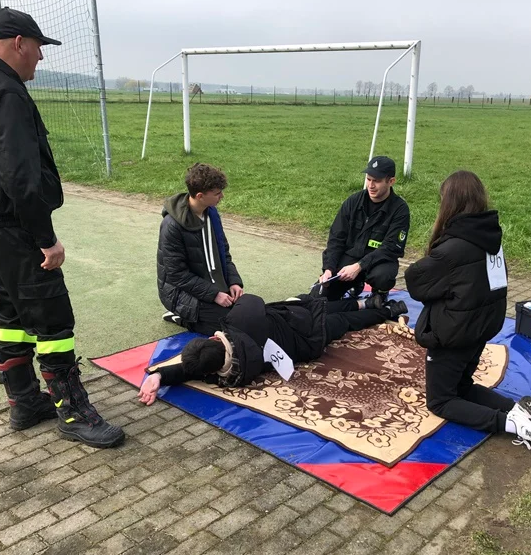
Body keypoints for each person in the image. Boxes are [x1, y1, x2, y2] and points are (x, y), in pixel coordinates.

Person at [0, 7, 123, 448]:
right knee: (51, 317)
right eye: (39, 48)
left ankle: (24, 401)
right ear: (19, 43)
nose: (41, 58)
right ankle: (73, 412)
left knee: (11, 312)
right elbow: (21, 178)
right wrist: (46, 238)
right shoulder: (5, 92)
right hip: (16, 226)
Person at [404, 170, 531, 454]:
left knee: (441, 401)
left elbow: (417, 282)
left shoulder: (452, 249)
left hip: (452, 334)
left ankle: (513, 424)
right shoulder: (492, 240)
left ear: (450, 203)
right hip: (479, 330)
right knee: (463, 387)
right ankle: (518, 410)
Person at [136, 294, 409, 405]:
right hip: (301, 327)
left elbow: (191, 368)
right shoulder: (238, 321)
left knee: (334, 317)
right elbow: (253, 300)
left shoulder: (230, 374)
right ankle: (382, 308)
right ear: (214, 340)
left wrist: (159, 375)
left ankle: (374, 306)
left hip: (305, 345)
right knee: (331, 313)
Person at [157, 163, 244, 336]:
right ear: (200, 196)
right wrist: (214, 295)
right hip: (179, 292)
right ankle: (180, 316)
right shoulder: (172, 226)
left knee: (246, 314)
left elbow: (223, 252)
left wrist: (234, 281)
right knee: (230, 328)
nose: (222, 196)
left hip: (211, 284)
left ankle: (204, 312)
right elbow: (176, 275)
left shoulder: (211, 213)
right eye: (217, 193)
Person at [311, 156, 410, 306]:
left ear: (391, 181)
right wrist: (329, 269)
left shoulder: (400, 210)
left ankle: (380, 293)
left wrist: (359, 266)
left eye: (376, 181)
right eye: (369, 179)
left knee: (383, 276)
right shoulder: (353, 201)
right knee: (318, 297)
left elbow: (391, 248)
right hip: (350, 258)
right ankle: (355, 285)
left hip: (378, 261)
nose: (371, 185)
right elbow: (336, 238)